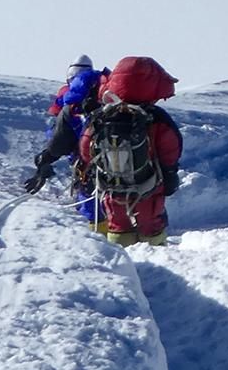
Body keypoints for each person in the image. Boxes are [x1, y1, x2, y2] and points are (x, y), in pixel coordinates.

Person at [76, 56, 183, 247]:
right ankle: (156, 254)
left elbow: (86, 146)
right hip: (148, 183)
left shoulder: (102, 115)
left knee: (117, 223)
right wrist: (169, 173)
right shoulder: (153, 117)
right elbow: (170, 148)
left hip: (111, 183)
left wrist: (89, 171)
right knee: (151, 223)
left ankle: (124, 261)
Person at [25, 55, 101, 201]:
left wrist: (44, 161)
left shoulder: (67, 102)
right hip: (113, 161)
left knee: (88, 203)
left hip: (85, 164)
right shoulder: (104, 98)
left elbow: (58, 140)